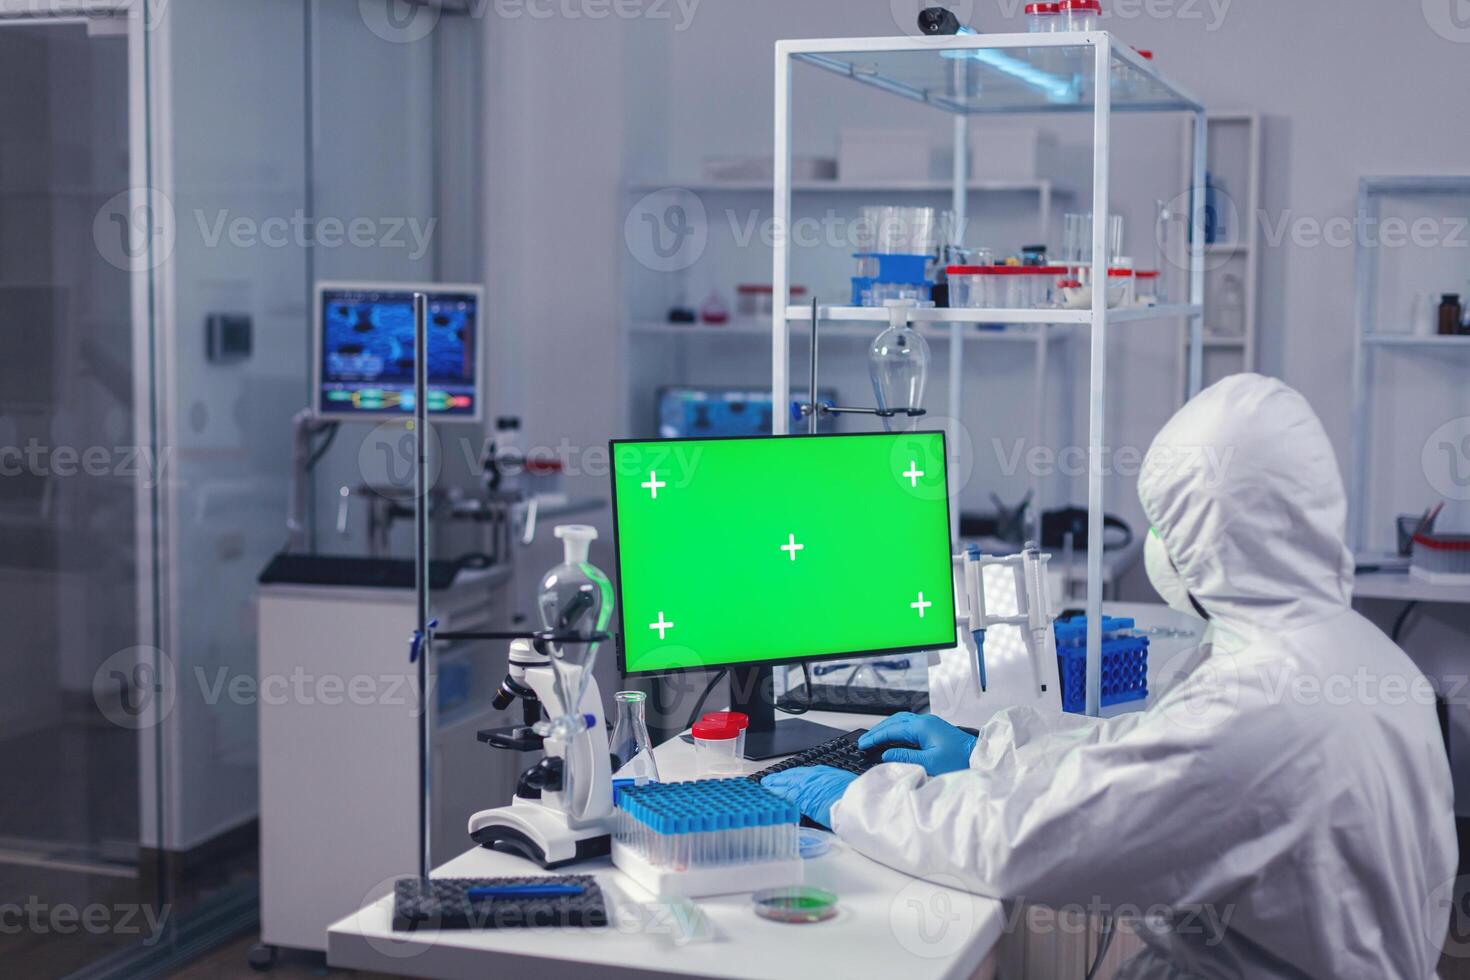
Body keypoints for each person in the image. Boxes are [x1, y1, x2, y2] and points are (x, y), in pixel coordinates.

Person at [762, 374, 1456, 977]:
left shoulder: (1258, 705)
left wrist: (861, 802)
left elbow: (1026, 844)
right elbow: (1147, 749)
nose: (1156, 543)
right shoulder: (1354, 651)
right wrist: (994, 752)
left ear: (1213, 536)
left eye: (1166, 523)